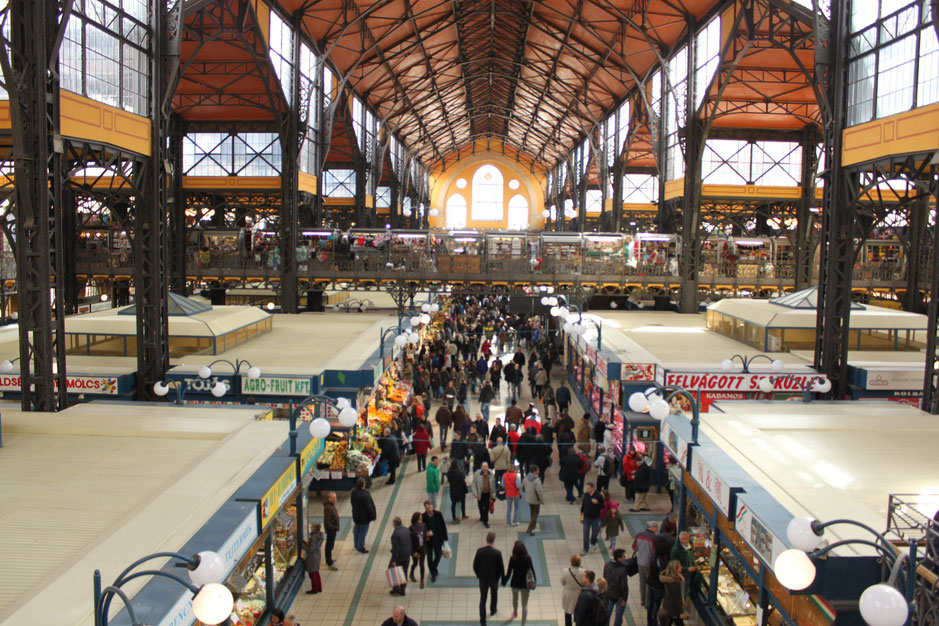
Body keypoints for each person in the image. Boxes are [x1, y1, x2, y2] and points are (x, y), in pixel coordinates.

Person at [473, 531, 505, 625]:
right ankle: (493, 610)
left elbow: (475, 565)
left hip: (483, 579)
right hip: (494, 579)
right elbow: (501, 568)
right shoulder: (497, 553)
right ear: (494, 540)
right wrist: (503, 579)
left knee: (483, 599)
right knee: (494, 595)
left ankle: (482, 620)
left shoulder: (479, 551)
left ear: (486, 539)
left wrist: (478, 575)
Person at [502, 540, 535, 625]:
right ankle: (523, 624)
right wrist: (535, 582)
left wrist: (504, 581)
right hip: (525, 584)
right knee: (524, 604)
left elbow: (509, 572)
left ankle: (515, 613)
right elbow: (532, 571)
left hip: (515, 583)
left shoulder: (513, 558)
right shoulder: (528, 558)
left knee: (515, 599)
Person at [422, 499, 449, 583]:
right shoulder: (423, 517)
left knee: (438, 555)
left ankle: (433, 567)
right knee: (429, 558)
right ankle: (433, 574)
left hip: (438, 539)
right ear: (425, 509)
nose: (430, 509)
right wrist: (426, 534)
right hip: (429, 541)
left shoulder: (438, 514)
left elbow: (443, 526)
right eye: (428, 508)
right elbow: (422, 529)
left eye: (430, 507)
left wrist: (445, 539)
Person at [633, 521, 659, 607]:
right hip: (649, 564)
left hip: (640, 562)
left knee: (642, 582)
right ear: (654, 528)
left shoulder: (639, 534)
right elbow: (655, 552)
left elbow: (634, 547)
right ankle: (648, 602)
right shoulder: (654, 538)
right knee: (649, 583)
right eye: (656, 529)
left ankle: (642, 600)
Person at [603, 549, 630, 626]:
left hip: (609, 594)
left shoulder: (607, 565)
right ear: (619, 559)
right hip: (619, 596)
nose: (625, 558)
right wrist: (624, 598)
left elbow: (604, 577)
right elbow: (624, 586)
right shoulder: (622, 569)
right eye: (623, 557)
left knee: (607, 615)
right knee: (618, 617)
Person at [350, 478, 376, 554]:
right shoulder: (365, 495)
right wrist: (373, 516)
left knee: (356, 530)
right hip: (364, 518)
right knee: (362, 532)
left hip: (356, 515)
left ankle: (356, 544)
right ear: (363, 485)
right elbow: (369, 507)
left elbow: (352, 503)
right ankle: (360, 546)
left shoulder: (353, 492)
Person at [561, 554, 587, 626]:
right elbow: (585, 584)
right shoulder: (583, 572)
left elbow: (562, 582)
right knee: (578, 612)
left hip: (568, 594)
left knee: (568, 613)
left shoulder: (566, 571)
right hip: (579, 595)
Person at [659, 559, 686, 625]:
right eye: (680, 566)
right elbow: (677, 598)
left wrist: (681, 577)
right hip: (674, 609)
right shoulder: (674, 583)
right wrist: (681, 612)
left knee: (667, 623)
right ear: (675, 569)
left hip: (667, 605)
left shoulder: (668, 578)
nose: (681, 567)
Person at [389, 516, 412, 596]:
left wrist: (394, 560)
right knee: (404, 571)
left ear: (395, 524)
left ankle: (396, 589)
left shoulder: (395, 534)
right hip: (407, 555)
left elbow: (396, 549)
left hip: (399, 556)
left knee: (393, 571)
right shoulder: (406, 530)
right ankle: (403, 590)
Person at [670, 531, 696, 598]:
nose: (686, 540)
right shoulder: (676, 549)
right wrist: (687, 568)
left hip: (689, 574)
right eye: (684, 539)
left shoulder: (690, 547)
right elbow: (673, 564)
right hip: (681, 574)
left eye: (687, 538)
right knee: (682, 592)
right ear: (680, 539)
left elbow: (691, 557)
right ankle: (681, 606)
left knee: (686, 590)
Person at [472, 461, 498, 528]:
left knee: (486, 507)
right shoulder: (477, 473)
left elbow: (493, 484)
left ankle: (485, 521)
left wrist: (493, 494)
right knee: (480, 507)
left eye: (486, 467)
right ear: (481, 467)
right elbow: (474, 484)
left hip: (488, 493)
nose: (485, 468)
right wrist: (475, 493)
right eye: (483, 467)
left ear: (488, 467)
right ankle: (482, 516)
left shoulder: (491, 473)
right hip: (480, 494)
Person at [581, 482, 604, 554]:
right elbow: (583, 505)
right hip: (586, 518)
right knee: (585, 533)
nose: (586, 490)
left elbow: (603, 506)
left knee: (595, 533)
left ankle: (593, 542)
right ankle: (585, 549)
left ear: (592, 488)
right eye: (586, 488)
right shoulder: (586, 495)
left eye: (588, 488)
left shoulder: (598, 496)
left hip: (595, 518)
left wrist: (597, 503)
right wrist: (581, 516)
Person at [522, 465, 544, 535]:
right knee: (535, 514)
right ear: (534, 471)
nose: (539, 471)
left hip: (529, 498)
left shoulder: (526, 478)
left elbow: (523, 488)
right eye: (538, 470)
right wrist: (542, 500)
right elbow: (539, 491)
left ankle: (533, 525)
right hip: (536, 500)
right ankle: (530, 528)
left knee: (532, 512)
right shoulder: (537, 480)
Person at [408, 511, 428, 589]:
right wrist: (413, 552)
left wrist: (427, 537)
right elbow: (410, 541)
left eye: (421, 518)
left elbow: (425, 535)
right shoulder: (411, 528)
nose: (421, 520)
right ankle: (411, 573)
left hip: (422, 548)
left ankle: (422, 580)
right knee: (415, 563)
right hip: (415, 549)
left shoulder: (424, 525)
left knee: (422, 564)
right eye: (419, 519)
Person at [304, 523, 323, 594]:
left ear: (314, 528)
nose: (310, 527)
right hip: (317, 555)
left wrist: (303, 545)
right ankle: (319, 587)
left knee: (312, 573)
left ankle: (314, 589)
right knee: (316, 572)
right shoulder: (319, 535)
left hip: (312, 558)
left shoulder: (313, 537)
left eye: (311, 526)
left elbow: (310, 549)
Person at [646, 556, 665, 626]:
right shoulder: (662, 562)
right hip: (658, 587)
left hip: (651, 584)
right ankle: (653, 622)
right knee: (656, 606)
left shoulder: (654, 558)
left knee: (651, 604)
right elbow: (661, 577)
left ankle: (649, 622)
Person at [448, 458, 469, 522]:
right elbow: (463, 482)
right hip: (460, 490)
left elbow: (449, 480)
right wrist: (466, 490)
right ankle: (463, 514)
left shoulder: (449, 472)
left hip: (453, 490)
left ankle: (454, 517)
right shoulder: (459, 473)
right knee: (463, 503)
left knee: (453, 504)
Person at [323, 492, 340, 570]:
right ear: (329, 498)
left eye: (335, 498)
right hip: (331, 530)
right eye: (333, 498)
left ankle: (329, 559)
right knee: (329, 546)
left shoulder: (330, 506)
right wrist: (333, 527)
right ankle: (329, 561)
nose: (335, 499)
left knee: (330, 545)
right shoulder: (329, 508)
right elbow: (327, 521)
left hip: (332, 529)